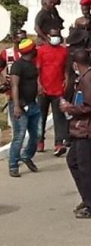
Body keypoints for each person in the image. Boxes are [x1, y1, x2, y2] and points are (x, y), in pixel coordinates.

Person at [59, 49, 91, 219]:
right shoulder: (89, 77)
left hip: (87, 129)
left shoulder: (88, 79)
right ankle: (87, 198)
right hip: (82, 128)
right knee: (73, 161)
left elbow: (90, 105)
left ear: (75, 64)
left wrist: (69, 108)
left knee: (87, 168)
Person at [7, 39, 41, 178]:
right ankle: (13, 165)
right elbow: (14, 86)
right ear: (31, 50)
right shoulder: (17, 66)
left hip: (33, 104)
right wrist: (16, 106)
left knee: (37, 134)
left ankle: (26, 155)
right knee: (19, 136)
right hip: (20, 106)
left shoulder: (32, 65)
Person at [36, 28, 69, 156]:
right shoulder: (42, 51)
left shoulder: (64, 51)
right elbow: (38, 70)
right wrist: (39, 85)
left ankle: (59, 143)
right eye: (53, 35)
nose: (56, 37)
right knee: (41, 117)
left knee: (59, 117)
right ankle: (39, 141)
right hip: (43, 89)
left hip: (58, 89)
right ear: (48, 36)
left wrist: (66, 80)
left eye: (57, 35)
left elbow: (66, 68)